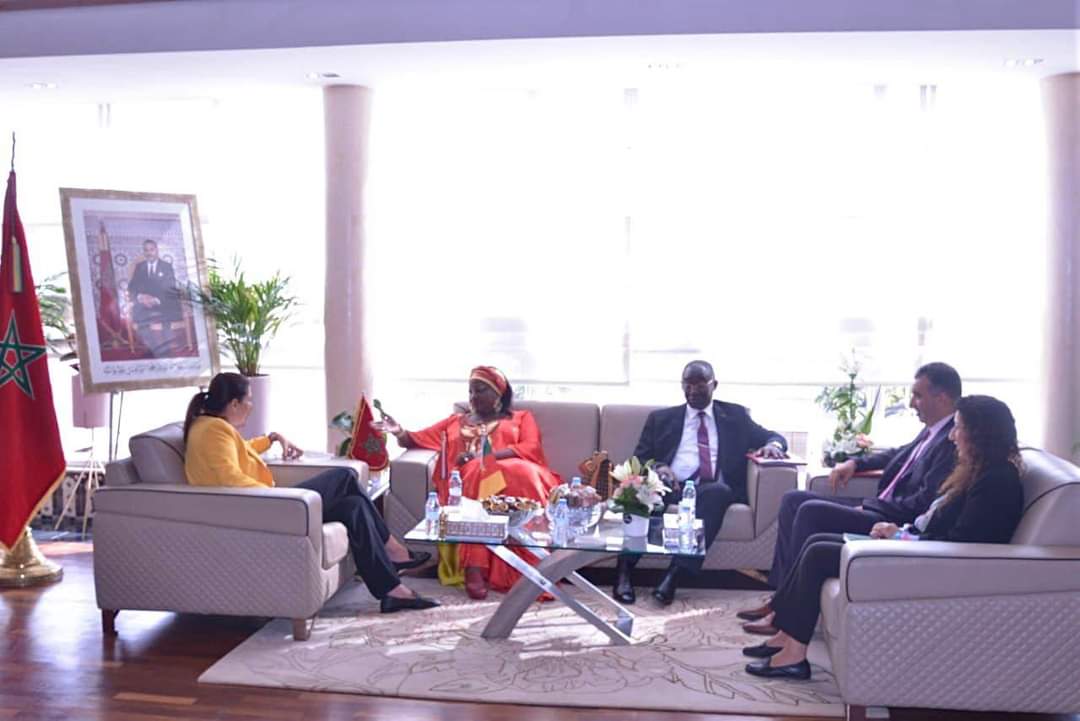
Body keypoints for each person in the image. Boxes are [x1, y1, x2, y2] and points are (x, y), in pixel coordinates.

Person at [743, 395, 1024, 680]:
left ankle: (794, 656)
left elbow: (959, 544)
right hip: (917, 548)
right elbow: (939, 525)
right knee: (816, 543)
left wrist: (901, 536)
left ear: (979, 433)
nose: (952, 436)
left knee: (818, 553)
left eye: (959, 427)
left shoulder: (996, 481)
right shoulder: (979, 470)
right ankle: (787, 637)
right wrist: (900, 532)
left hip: (928, 562)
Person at [183, 372, 438, 614]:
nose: (251, 406)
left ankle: (391, 590)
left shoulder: (212, 428)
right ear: (234, 404)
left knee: (354, 506)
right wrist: (277, 495)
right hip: (262, 509)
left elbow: (240, 451)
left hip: (261, 506)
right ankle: (394, 549)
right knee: (343, 476)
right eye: (249, 400)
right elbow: (228, 479)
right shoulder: (213, 431)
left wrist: (273, 438)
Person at [739, 362, 961, 635]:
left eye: (918, 395)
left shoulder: (951, 442)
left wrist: (867, 505)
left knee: (810, 511)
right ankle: (780, 597)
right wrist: (855, 463)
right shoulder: (932, 431)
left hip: (891, 520)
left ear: (942, 398)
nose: (911, 403)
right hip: (881, 507)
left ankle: (785, 612)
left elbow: (921, 503)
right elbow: (897, 454)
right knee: (793, 499)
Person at [377, 366, 561, 600]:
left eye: (480, 390)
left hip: (520, 473)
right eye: (471, 391)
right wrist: (398, 431)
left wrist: (488, 457)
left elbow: (530, 447)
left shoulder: (522, 418)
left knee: (514, 473)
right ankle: (474, 566)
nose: (473, 396)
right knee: (477, 471)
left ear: (498, 393)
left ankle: (534, 568)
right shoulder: (455, 422)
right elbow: (414, 439)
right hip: (471, 479)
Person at [614, 360, 788, 606]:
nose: (693, 391)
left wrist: (773, 446)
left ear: (714, 385)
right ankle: (624, 572)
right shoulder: (661, 419)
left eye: (699, 385)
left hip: (709, 490)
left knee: (719, 492)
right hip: (670, 485)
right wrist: (659, 467)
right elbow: (641, 458)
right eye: (687, 384)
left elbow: (773, 436)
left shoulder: (735, 416)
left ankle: (674, 575)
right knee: (641, 490)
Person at [128, 239, 183, 357]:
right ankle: (151, 350)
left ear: (157, 250)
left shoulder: (166, 266)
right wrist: (141, 297)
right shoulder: (139, 267)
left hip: (162, 303)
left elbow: (170, 287)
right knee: (141, 318)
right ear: (144, 252)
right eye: (146, 250)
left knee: (167, 315)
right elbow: (132, 287)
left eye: (151, 250)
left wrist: (155, 300)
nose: (149, 253)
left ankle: (167, 351)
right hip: (144, 305)